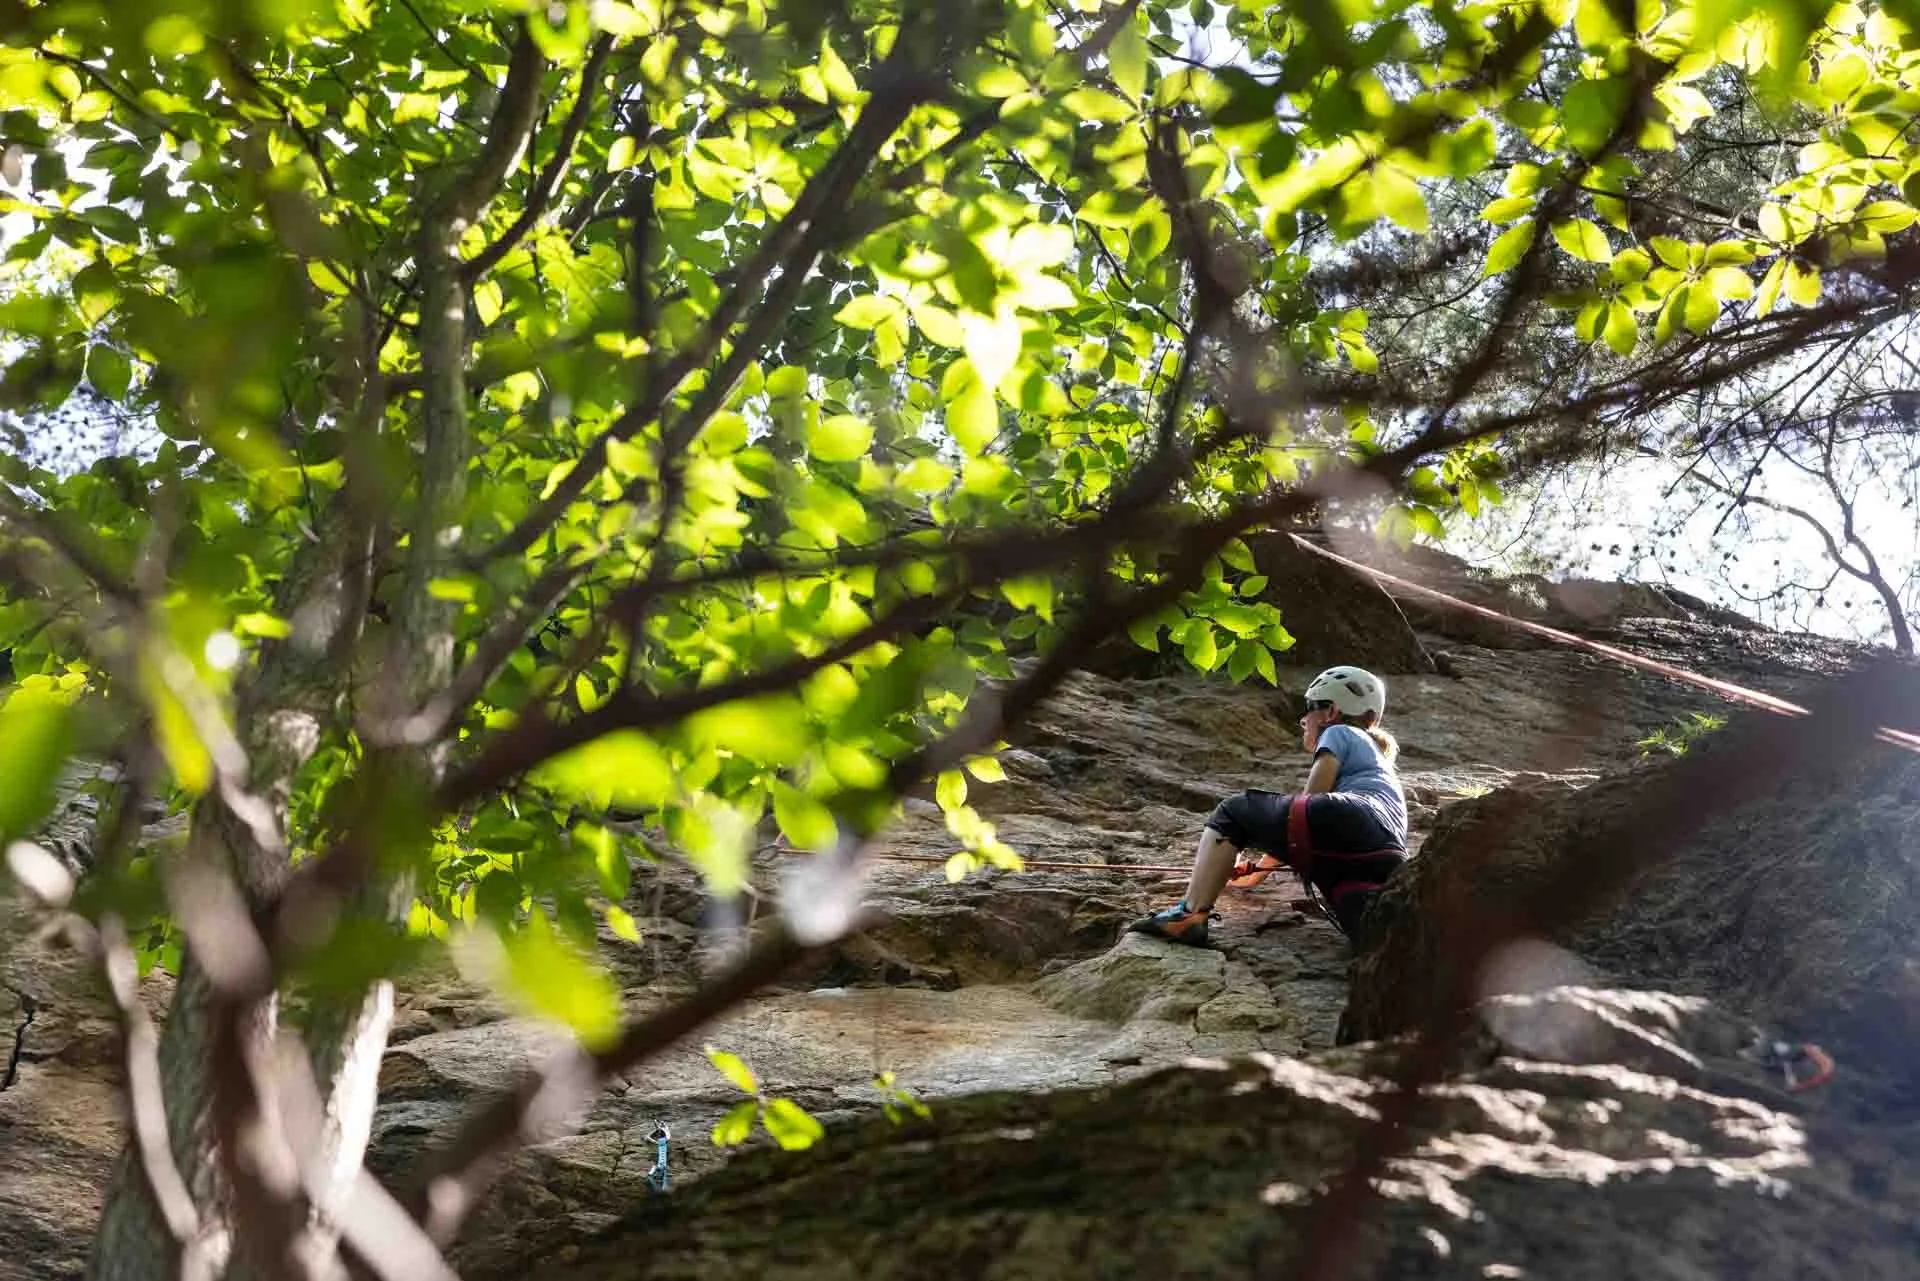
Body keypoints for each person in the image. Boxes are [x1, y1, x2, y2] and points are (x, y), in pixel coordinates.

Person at [1126, 664, 1409, 948]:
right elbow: (1307, 833)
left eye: (1309, 707)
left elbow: (1310, 804)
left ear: (1331, 712)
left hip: (1348, 816)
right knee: (1360, 917)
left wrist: (1248, 843)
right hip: (1385, 856)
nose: (1303, 718)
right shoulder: (1381, 767)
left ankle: (1189, 916)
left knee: (1233, 811)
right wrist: (1256, 873)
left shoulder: (1340, 732)